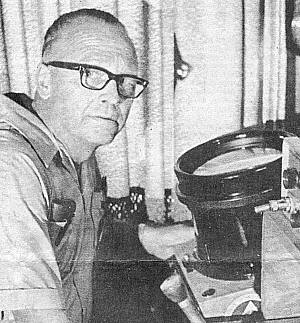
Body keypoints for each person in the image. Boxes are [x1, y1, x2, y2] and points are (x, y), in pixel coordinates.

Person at [0, 8, 194, 323]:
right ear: (45, 81)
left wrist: (154, 235)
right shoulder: (11, 164)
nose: (114, 96)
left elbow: (83, 243)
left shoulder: (75, 147)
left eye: (126, 82)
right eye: (91, 74)